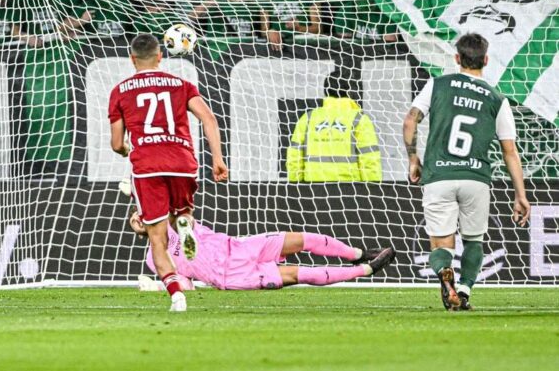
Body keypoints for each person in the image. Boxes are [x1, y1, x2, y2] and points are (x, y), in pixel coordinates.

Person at [403, 33, 530, 311]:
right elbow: (510, 151)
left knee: (441, 245)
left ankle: (445, 277)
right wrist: (520, 194)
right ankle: (464, 290)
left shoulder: (437, 84)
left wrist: (414, 158)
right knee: (474, 240)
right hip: (476, 179)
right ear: (485, 60)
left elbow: (411, 120)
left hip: (439, 176)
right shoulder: (497, 98)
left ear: (457, 58)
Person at [108, 34, 229, 312]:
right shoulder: (181, 85)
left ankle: (177, 295)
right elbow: (209, 119)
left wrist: (129, 150)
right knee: (181, 215)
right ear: (160, 55)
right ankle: (185, 222)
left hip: (148, 167)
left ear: (132, 59)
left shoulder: (121, 90)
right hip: (182, 163)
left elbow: (116, 144)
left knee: (158, 239)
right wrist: (218, 160)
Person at [130, 210, 396, 289]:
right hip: (231, 276)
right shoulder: (154, 259)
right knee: (299, 274)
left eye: (138, 214)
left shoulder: (177, 220)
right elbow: (184, 286)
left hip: (240, 246)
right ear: (138, 232)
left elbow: (182, 218)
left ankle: (359, 254)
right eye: (134, 222)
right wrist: (160, 288)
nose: (138, 219)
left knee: (303, 239)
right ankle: (365, 270)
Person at [288, 70, 382, 182]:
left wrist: (296, 187)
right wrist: (372, 190)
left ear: (325, 92)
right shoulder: (359, 119)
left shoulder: (308, 118)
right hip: (350, 190)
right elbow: (369, 158)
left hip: (312, 190)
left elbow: (294, 156)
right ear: (348, 91)